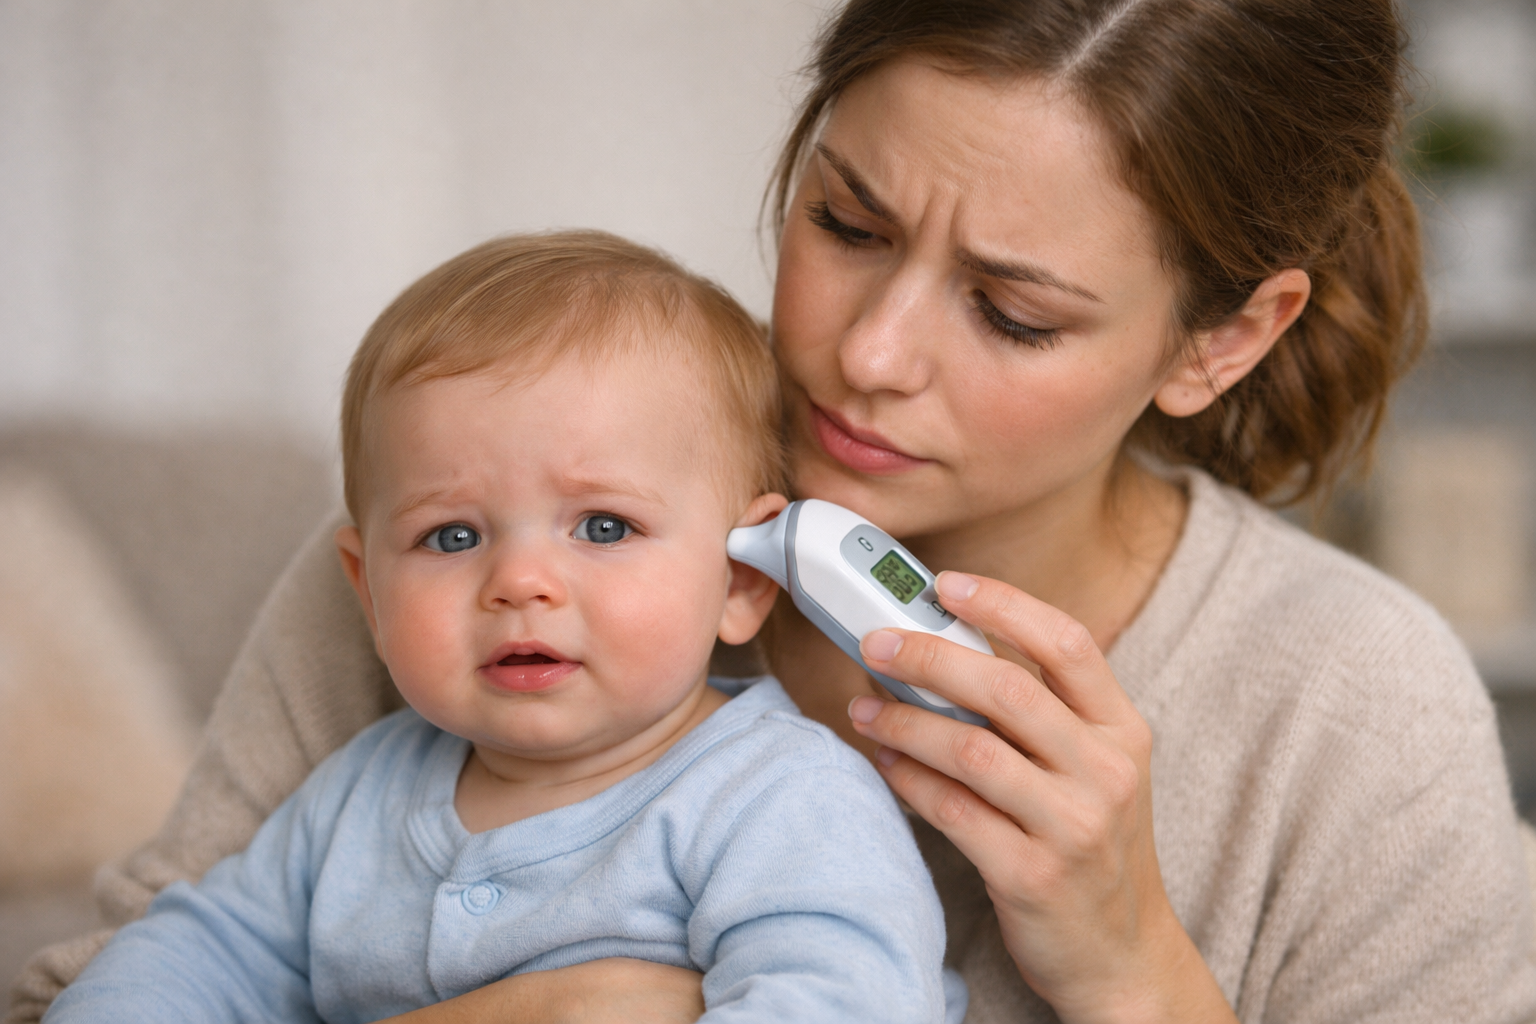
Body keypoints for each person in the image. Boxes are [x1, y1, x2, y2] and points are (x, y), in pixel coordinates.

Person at [14, 1, 1536, 1022]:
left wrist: (1138, 962)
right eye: (845, 222)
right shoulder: (458, 553)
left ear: (1225, 340)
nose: (867, 356)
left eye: (1012, 314)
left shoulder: (1348, 709)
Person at [40, 232, 951, 1024]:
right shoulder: (358, 796)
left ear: (742, 582)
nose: (519, 582)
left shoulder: (783, 800)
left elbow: (844, 998)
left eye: (603, 527)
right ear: (368, 589)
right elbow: (196, 958)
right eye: (452, 536)